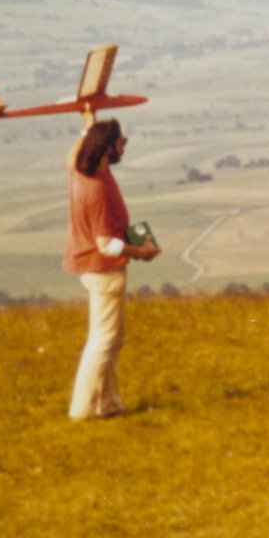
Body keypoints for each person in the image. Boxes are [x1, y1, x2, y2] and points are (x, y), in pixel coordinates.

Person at [63, 117, 160, 419]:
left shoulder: (81, 169)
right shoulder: (97, 190)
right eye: (119, 142)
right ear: (106, 148)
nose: (123, 146)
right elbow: (107, 244)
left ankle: (108, 404)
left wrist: (89, 122)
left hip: (94, 268)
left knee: (112, 338)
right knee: (104, 340)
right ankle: (82, 410)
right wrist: (141, 253)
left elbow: (77, 148)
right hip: (104, 270)